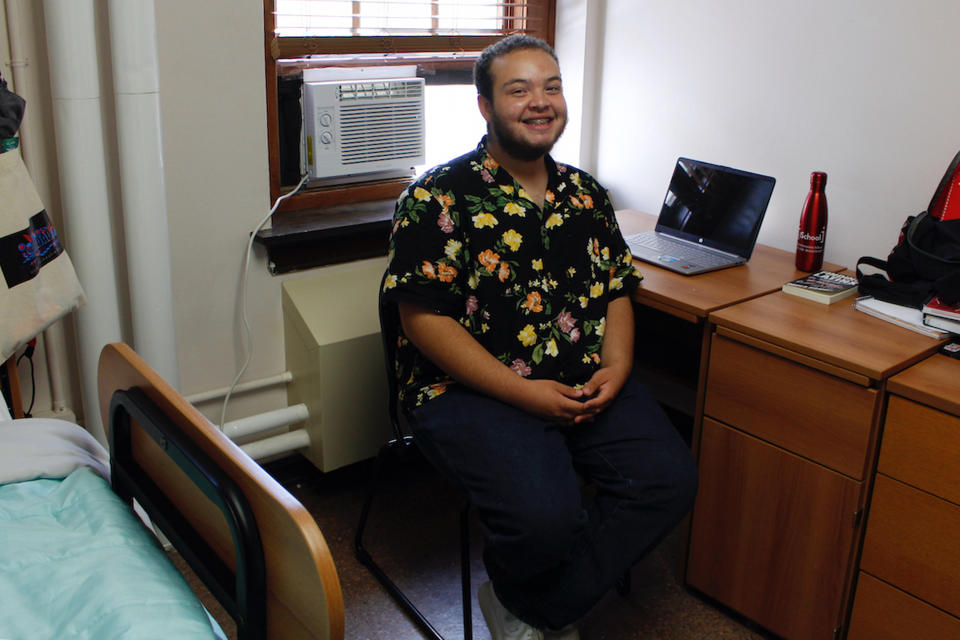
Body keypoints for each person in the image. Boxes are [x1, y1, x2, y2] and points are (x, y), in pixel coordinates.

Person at [381, 34, 698, 640]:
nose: (540, 102)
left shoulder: (585, 194)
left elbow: (615, 288)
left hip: (581, 375)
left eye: (550, 86)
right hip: (470, 386)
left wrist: (619, 363)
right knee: (545, 519)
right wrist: (522, 394)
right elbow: (422, 320)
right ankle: (537, 597)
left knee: (667, 480)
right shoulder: (437, 196)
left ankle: (525, 607)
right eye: (518, 89)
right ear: (485, 105)